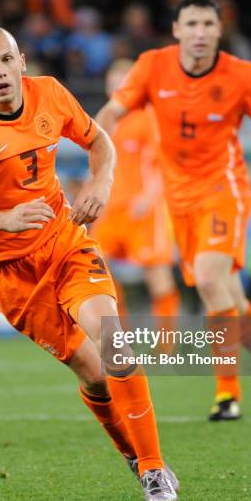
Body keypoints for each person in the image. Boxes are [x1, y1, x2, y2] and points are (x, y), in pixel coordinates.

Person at [0, 26, 178, 501]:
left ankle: (155, 470)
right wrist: (3, 219)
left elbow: (101, 142)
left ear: (22, 61)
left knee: (114, 344)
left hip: (63, 240)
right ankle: (134, 455)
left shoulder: (52, 94)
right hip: (7, 271)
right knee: (94, 374)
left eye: (6, 60)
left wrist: (100, 184)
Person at [96, 0, 251, 421]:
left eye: (208, 25)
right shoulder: (152, 66)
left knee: (213, 281)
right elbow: (107, 117)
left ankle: (227, 395)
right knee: (228, 298)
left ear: (219, 31)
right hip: (179, 202)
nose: (200, 33)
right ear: (177, 30)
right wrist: (98, 173)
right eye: (191, 24)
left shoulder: (242, 75)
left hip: (223, 190)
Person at [91, 59, 180, 327]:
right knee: (96, 268)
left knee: (157, 275)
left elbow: (164, 165)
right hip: (110, 209)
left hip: (142, 209)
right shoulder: (102, 122)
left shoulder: (148, 118)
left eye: (124, 81)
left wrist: (149, 198)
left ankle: (166, 344)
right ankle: (121, 334)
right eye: (113, 81)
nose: (118, 86)